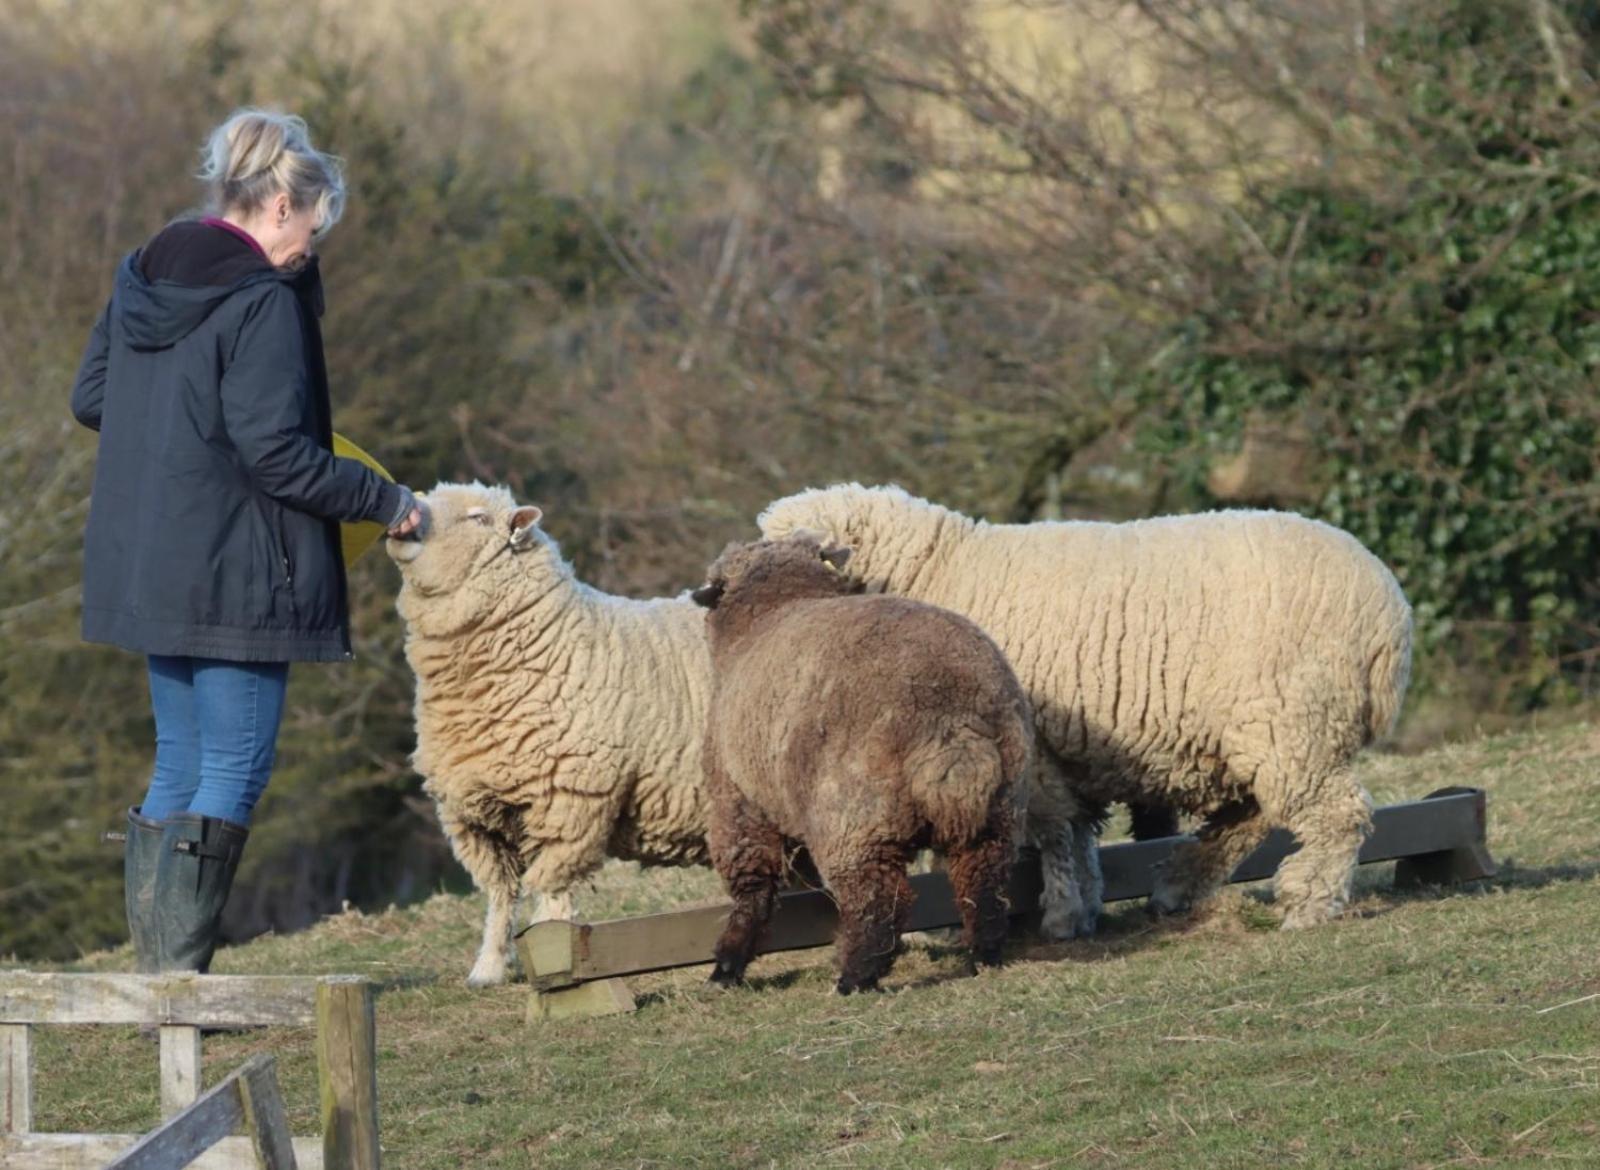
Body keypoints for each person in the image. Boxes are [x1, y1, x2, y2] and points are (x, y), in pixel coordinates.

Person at [69, 108, 423, 973]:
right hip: (237, 573)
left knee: (178, 764)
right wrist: (386, 499)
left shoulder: (142, 273)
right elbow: (281, 457)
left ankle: (158, 982)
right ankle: (177, 985)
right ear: (276, 208)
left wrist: (177, 438)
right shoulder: (261, 301)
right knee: (230, 768)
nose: (311, 245)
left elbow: (92, 398)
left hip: (153, 564)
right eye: (311, 224)